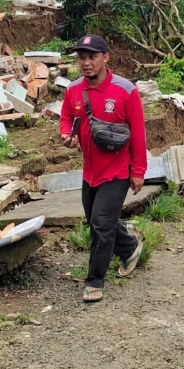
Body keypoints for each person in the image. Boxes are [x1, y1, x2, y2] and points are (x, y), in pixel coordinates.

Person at [59, 35, 147, 302]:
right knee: (98, 222)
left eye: (92, 56)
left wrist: (138, 171)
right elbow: (66, 119)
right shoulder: (74, 90)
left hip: (118, 171)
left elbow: (138, 132)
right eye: (82, 57)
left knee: (100, 223)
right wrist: (67, 136)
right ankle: (130, 246)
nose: (86, 63)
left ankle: (95, 280)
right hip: (90, 171)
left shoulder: (125, 90)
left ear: (105, 58)